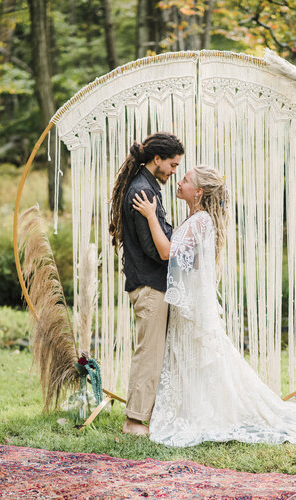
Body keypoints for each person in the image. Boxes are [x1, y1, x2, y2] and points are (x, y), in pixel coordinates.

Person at [133, 164, 296, 456]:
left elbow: (166, 252)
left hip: (193, 311)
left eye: (185, 179)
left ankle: (207, 413)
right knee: (198, 363)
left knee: (205, 362)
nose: (179, 180)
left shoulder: (200, 221)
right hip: (192, 307)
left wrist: (149, 216)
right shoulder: (199, 219)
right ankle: (198, 407)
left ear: (198, 191)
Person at [109, 132, 184, 435]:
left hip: (150, 283)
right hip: (151, 285)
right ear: (158, 160)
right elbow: (155, 250)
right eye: (173, 164)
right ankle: (134, 421)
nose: (175, 171)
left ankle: (143, 416)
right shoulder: (144, 192)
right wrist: (178, 240)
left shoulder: (145, 185)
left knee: (152, 352)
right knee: (149, 353)